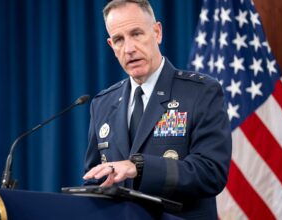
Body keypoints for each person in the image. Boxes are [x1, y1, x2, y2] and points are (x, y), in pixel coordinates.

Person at [83, 0, 232, 219]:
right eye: (119, 40)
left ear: (157, 32)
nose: (129, 48)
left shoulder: (201, 92)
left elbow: (211, 172)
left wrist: (140, 168)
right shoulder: (103, 104)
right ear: (111, 46)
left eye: (136, 34)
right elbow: (94, 177)